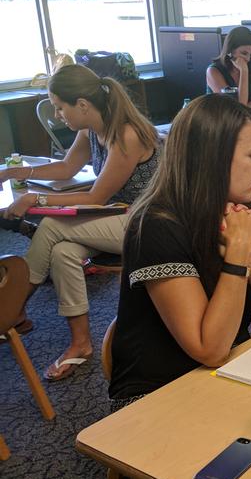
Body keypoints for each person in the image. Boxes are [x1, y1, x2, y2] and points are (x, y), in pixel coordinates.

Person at [109, 95, 251, 408]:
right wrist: (238, 253)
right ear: (212, 159)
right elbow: (209, 348)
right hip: (160, 394)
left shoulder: (240, 206)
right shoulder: (156, 226)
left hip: (226, 368)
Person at [0, 64, 159, 380]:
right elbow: (68, 167)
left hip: (147, 222)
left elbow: (96, 198)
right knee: (63, 252)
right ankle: (80, 342)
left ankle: (12, 306)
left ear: (83, 105)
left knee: (51, 226)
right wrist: (23, 173)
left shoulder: (127, 133)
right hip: (116, 214)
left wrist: (37, 200)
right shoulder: (91, 129)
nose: (58, 115)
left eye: (60, 107)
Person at [206, 26, 251, 110]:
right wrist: (244, 71)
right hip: (220, 120)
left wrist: (246, 107)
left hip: (245, 116)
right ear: (230, 51)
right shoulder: (213, 71)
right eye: (244, 53)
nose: (248, 59)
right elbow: (236, 107)